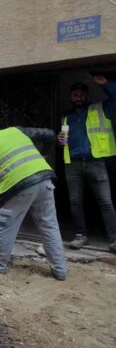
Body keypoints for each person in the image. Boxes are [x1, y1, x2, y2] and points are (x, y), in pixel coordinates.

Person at [0, 122, 67, 280]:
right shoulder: (15, 131)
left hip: (20, 186)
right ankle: (60, 270)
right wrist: (43, 154)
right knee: (49, 225)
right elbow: (49, 133)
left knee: (6, 225)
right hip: (44, 178)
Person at [58, 73, 116, 253]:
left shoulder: (100, 109)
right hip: (73, 163)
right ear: (71, 97)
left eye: (81, 95)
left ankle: (114, 239)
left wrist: (105, 83)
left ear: (86, 96)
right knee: (75, 201)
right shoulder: (66, 117)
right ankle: (80, 236)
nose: (78, 98)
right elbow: (64, 138)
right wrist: (60, 138)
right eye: (75, 95)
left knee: (105, 201)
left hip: (96, 162)